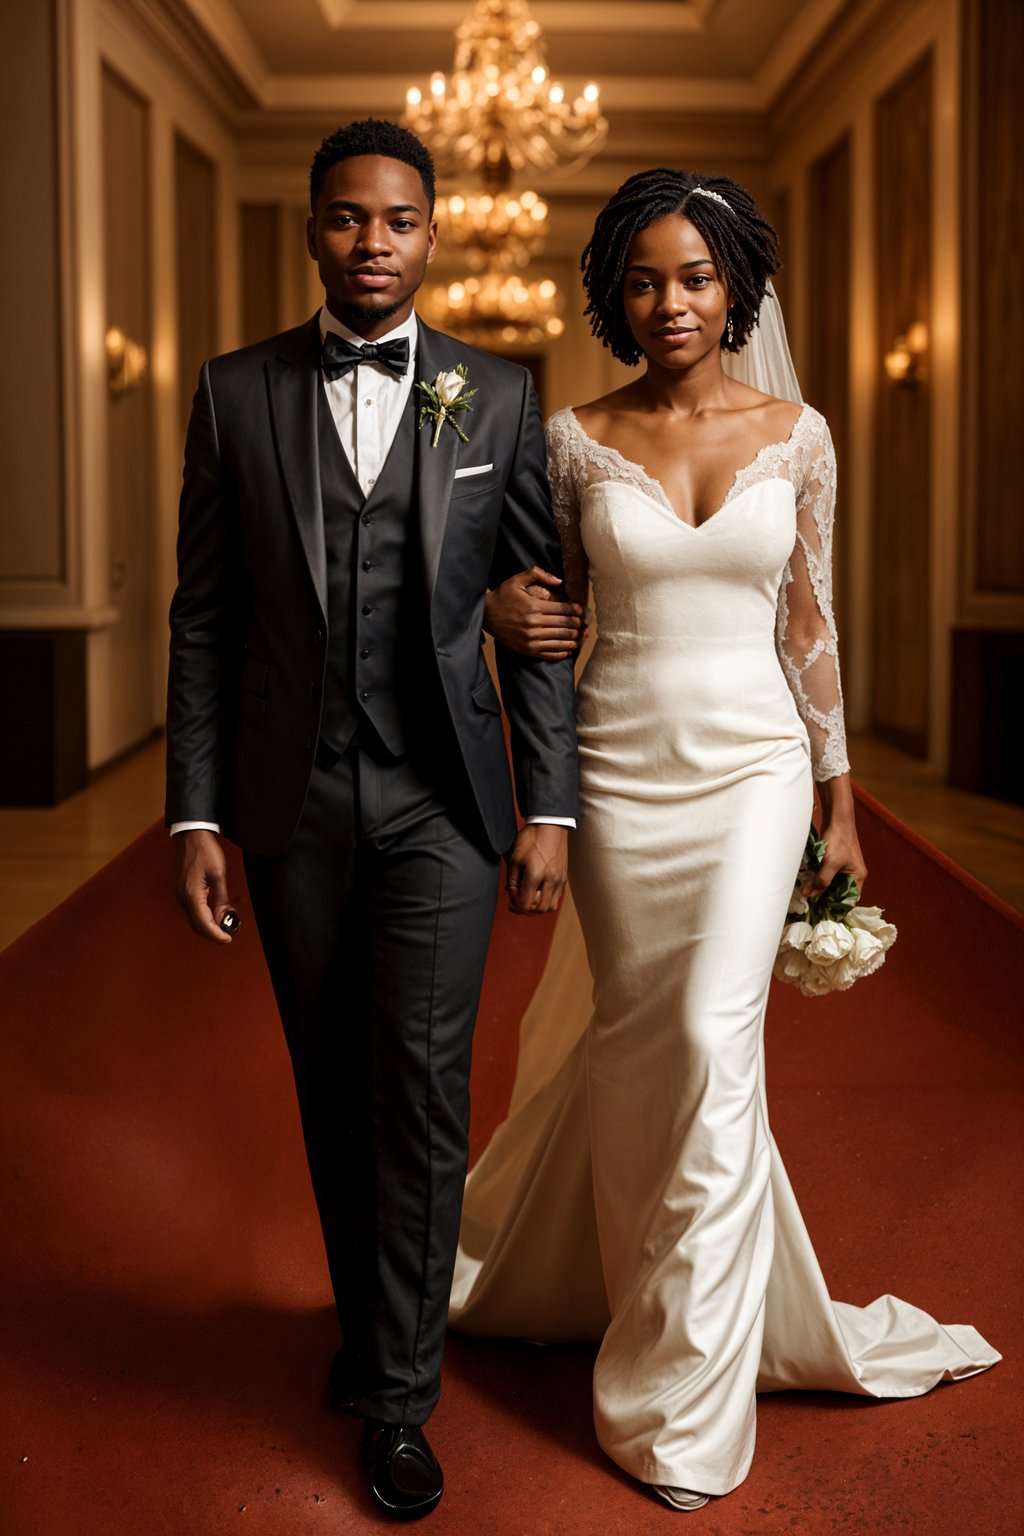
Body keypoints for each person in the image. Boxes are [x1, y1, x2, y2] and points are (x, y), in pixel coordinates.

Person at [450, 168, 999, 1511]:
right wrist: (498, 621)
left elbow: (807, 627)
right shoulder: (570, 440)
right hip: (624, 769)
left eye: (695, 276)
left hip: (754, 768)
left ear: (735, 285)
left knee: (708, 1035)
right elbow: (541, 618)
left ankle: (677, 1388)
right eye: (644, 279)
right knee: (643, 1050)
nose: (671, 301)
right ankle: (615, 1285)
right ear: (614, 297)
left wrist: (844, 799)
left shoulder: (798, 432)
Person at [165, 118, 578, 1521]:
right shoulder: (233, 395)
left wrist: (553, 808)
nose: (373, 243)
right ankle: (372, 1321)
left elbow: (543, 625)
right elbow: (205, 620)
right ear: (312, 228)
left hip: (444, 802)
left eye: (399, 220)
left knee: (419, 1083)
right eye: (347, 219)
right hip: (291, 802)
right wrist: (195, 817)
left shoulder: (499, 397)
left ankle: (400, 1398)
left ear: (435, 232)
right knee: (335, 1090)